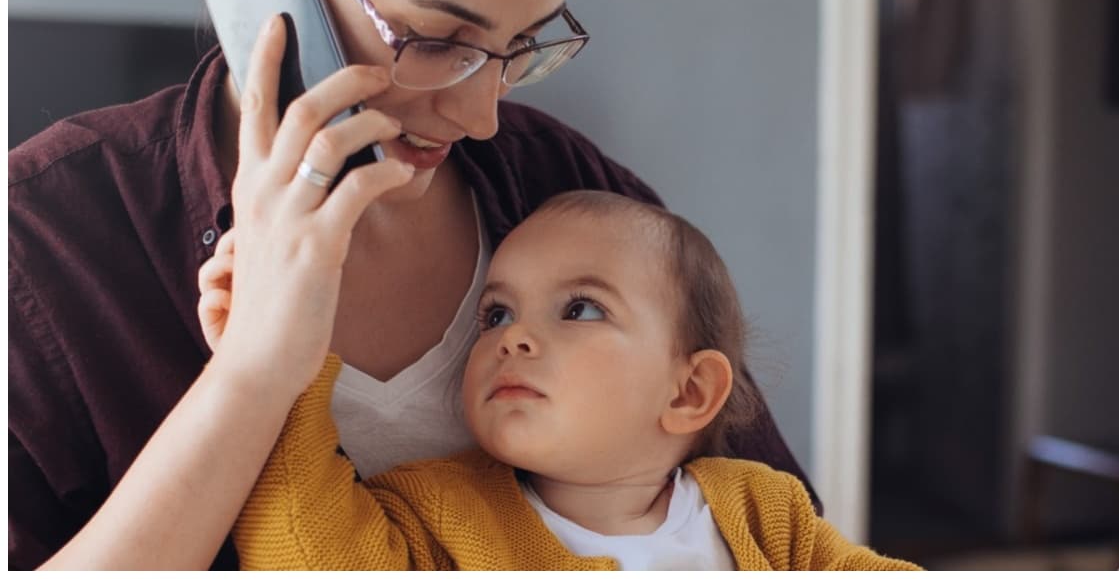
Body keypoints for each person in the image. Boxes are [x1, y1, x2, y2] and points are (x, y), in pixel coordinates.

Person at [10, 0, 810, 570]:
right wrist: (254, 374)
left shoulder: (567, 190)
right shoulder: (45, 242)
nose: (480, 115)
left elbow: (773, 532)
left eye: (521, 44)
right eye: (432, 38)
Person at [204, 189, 921, 570]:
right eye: (494, 314)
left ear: (689, 392)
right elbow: (310, 552)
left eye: (580, 308)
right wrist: (284, 364)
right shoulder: (440, 514)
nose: (512, 335)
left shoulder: (769, 513)